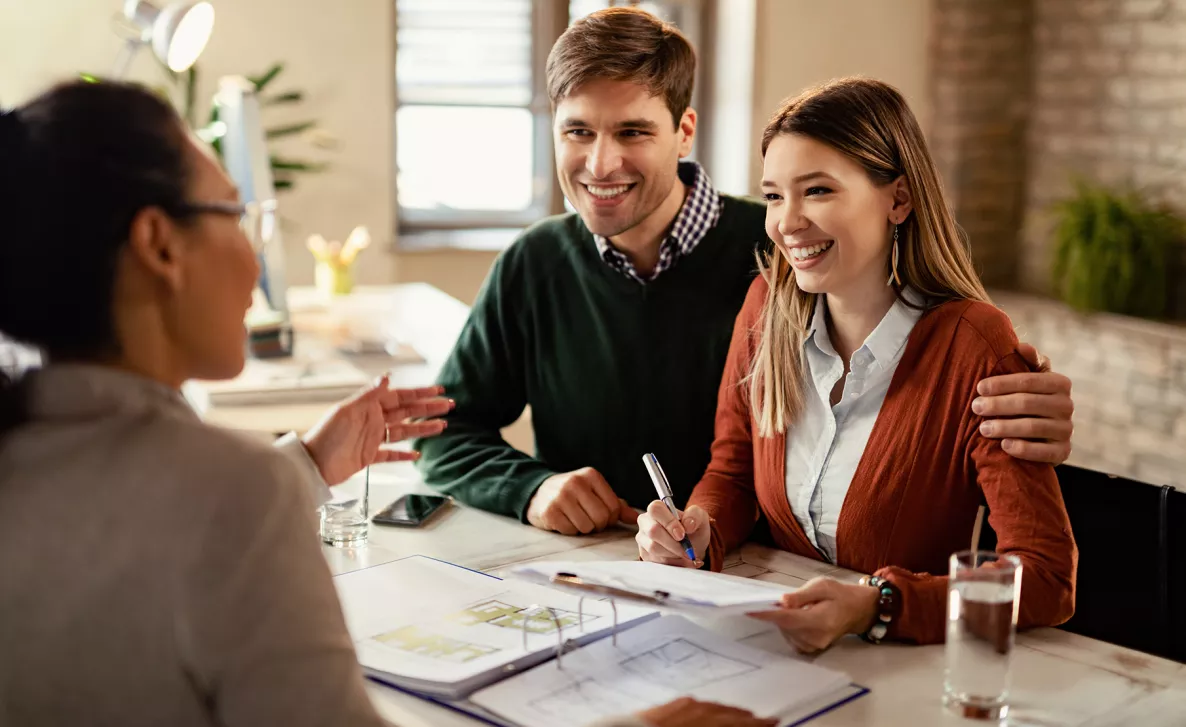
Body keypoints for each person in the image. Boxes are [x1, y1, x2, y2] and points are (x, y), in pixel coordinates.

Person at [0, 80, 774, 727]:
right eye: (235, 215)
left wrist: (303, 465)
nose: (257, 257)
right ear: (159, 247)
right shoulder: (233, 491)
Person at [415, 7, 1077, 537]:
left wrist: (1016, 392)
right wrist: (532, 488)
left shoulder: (789, 260)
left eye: (633, 132)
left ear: (685, 131)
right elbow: (445, 435)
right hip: (601, 576)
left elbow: (910, 370)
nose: (600, 163)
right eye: (578, 131)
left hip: (769, 580)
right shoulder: (534, 264)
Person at [634, 77, 1077, 649]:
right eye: (773, 195)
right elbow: (732, 473)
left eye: (817, 190)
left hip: (908, 675)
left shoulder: (975, 345)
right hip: (775, 654)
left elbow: (1045, 577)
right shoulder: (765, 310)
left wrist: (879, 604)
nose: (787, 222)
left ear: (898, 198)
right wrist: (699, 528)